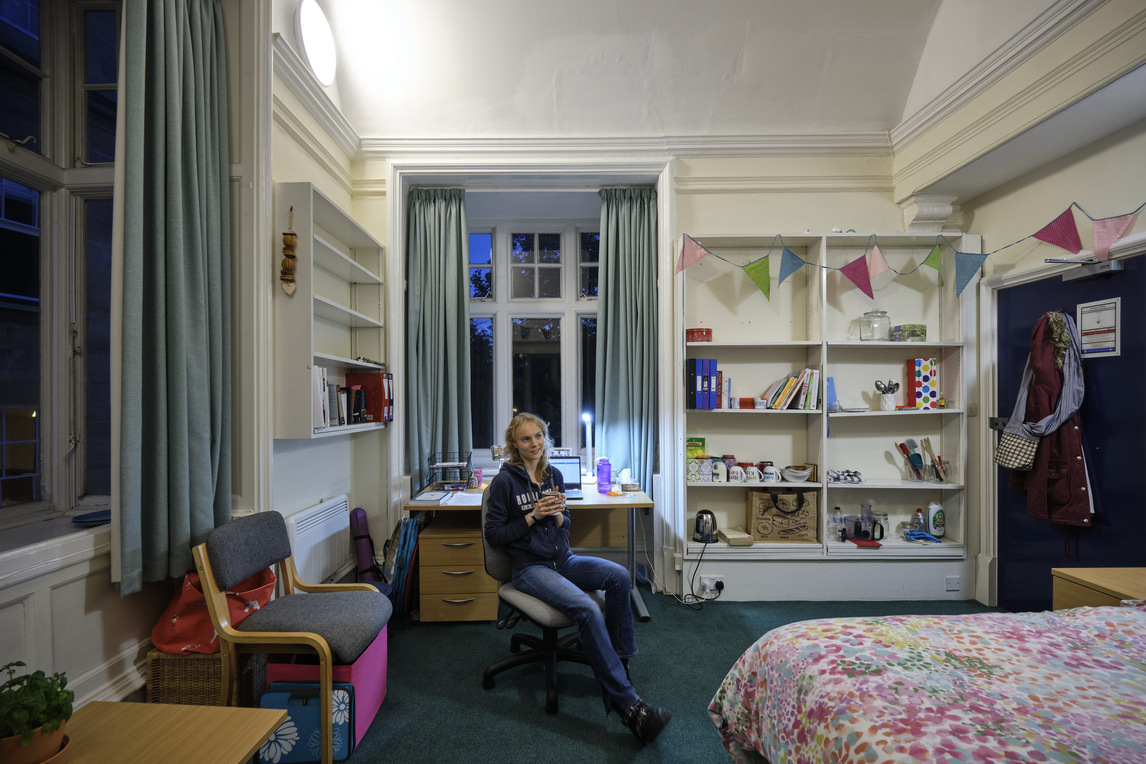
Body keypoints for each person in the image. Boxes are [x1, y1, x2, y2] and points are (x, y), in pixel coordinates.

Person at [483, 412, 671, 745]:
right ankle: (631, 709)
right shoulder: (504, 483)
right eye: (526, 438)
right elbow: (495, 536)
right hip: (530, 569)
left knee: (619, 577)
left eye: (539, 436)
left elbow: (566, 524)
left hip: (562, 559)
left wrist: (557, 516)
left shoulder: (552, 473)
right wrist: (532, 516)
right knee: (587, 608)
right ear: (514, 442)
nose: (534, 444)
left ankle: (618, 666)